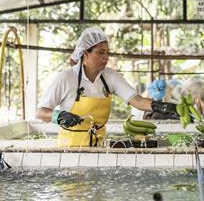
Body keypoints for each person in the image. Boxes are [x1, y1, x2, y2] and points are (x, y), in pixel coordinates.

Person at [36, 27, 181, 147]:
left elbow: (137, 101)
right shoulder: (66, 78)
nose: (106, 57)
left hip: (99, 147)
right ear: (85, 53)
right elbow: (41, 112)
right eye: (100, 52)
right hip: (69, 150)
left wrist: (162, 107)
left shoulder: (110, 76)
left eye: (107, 53)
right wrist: (59, 116)